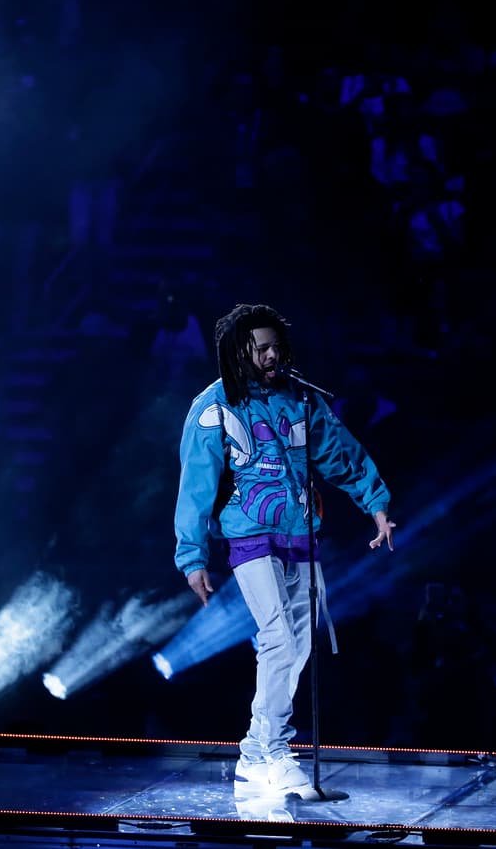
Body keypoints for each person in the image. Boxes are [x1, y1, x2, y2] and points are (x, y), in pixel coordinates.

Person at [173, 303, 395, 798]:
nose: (274, 355)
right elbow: (196, 485)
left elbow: (340, 453)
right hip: (250, 537)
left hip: (302, 534)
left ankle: (256, 752)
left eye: (278, 346)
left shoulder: (301, 400)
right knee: (279, 639)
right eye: (263, 348)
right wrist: (192, 556)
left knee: (301, 642)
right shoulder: (214, 408)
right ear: (240, 353)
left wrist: (375, 504)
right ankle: (271, 752)